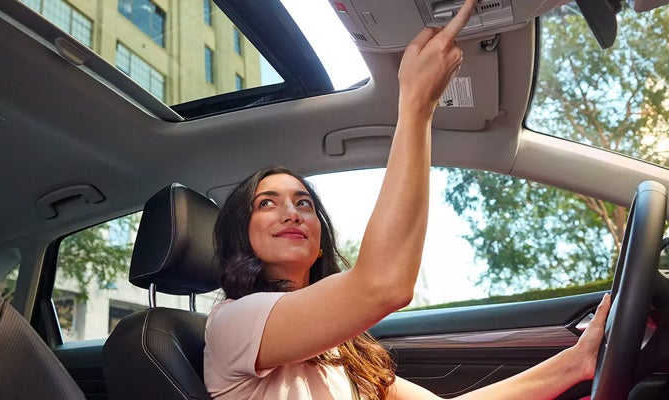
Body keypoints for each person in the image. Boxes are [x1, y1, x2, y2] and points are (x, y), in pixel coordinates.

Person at [203, 0, 612, 398]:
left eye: (304, 202)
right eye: (267, 203)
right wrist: (417, 105)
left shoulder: (342, 348)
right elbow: (384, 285)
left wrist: (575, 362)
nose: (292, 212)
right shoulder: (235, 323)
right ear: (241, 233)